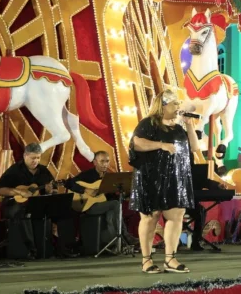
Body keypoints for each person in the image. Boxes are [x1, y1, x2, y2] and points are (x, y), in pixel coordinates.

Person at [129, 89, 201, 274]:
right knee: (150, 217)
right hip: (150, 178)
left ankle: (170, 259)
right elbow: (136, 143)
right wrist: (161, 145)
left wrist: (189, 125)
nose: (178, 107)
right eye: (174, 104)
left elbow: (194, 147)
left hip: (174, 178)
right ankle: (146, 260)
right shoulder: (148, 124)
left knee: (176, 216)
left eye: (178, 104)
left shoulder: (177, 128)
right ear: (163, 106)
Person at [0, 142, 77, 259]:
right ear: (25, 156)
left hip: (40, 205)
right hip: (16, 205)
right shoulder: (14, 170)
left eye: (38, 158)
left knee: (66, 212)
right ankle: (30, 250)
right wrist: (19, 192)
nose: (36, 161)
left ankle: (65, 249)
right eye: (33, 158)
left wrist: (50, 191)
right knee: (23, 212)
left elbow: (53, 191)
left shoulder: (44, 171)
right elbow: (0, 190)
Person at [65, 150, 139, 248]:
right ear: (95, 162)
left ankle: (113, 244)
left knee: (114, 208)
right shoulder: (87, 175)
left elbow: (110, 196)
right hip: (87, 206)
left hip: (102, 204)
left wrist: (125, 196)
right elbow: (69, 183)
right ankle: (126, 235)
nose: (105, 164)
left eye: (107, 161)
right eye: (102, 161)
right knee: (115, 204)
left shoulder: (109, 177)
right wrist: (85, 189)